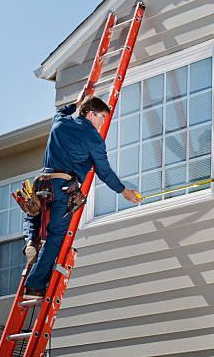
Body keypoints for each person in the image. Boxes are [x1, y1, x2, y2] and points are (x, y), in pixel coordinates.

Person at [23, 92, 142, 299]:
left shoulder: (59, 121)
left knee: (33, 214)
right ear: (90, 114)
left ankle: (30, 241)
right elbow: (104, 172)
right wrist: (124, 191)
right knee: (56, 236)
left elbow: (63, 110)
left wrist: (76, 102)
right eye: (102, 117)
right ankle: (34, 285)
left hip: (42, 183)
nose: (103, 123)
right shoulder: (93, 138)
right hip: (62, 188)